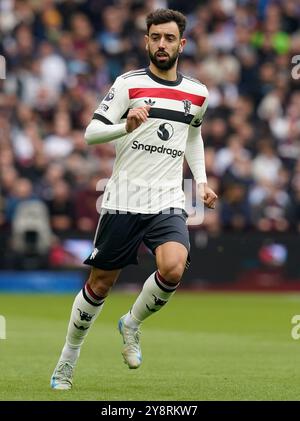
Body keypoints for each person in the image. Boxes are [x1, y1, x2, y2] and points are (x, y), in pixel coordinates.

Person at [50, 8, 218, 390]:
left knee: (174, 267)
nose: (162, 44)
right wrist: (122, 125)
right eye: (156, 37)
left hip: (168, 199)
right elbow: (91, 133)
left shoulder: (197, 93)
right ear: (146, 41)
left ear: (182, 43)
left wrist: (202, 181)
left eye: (169, 38)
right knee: (100, 285)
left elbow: (193, 134)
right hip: (124, 198)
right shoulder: (128, 84)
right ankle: (67, 359)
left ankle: (131, 324)